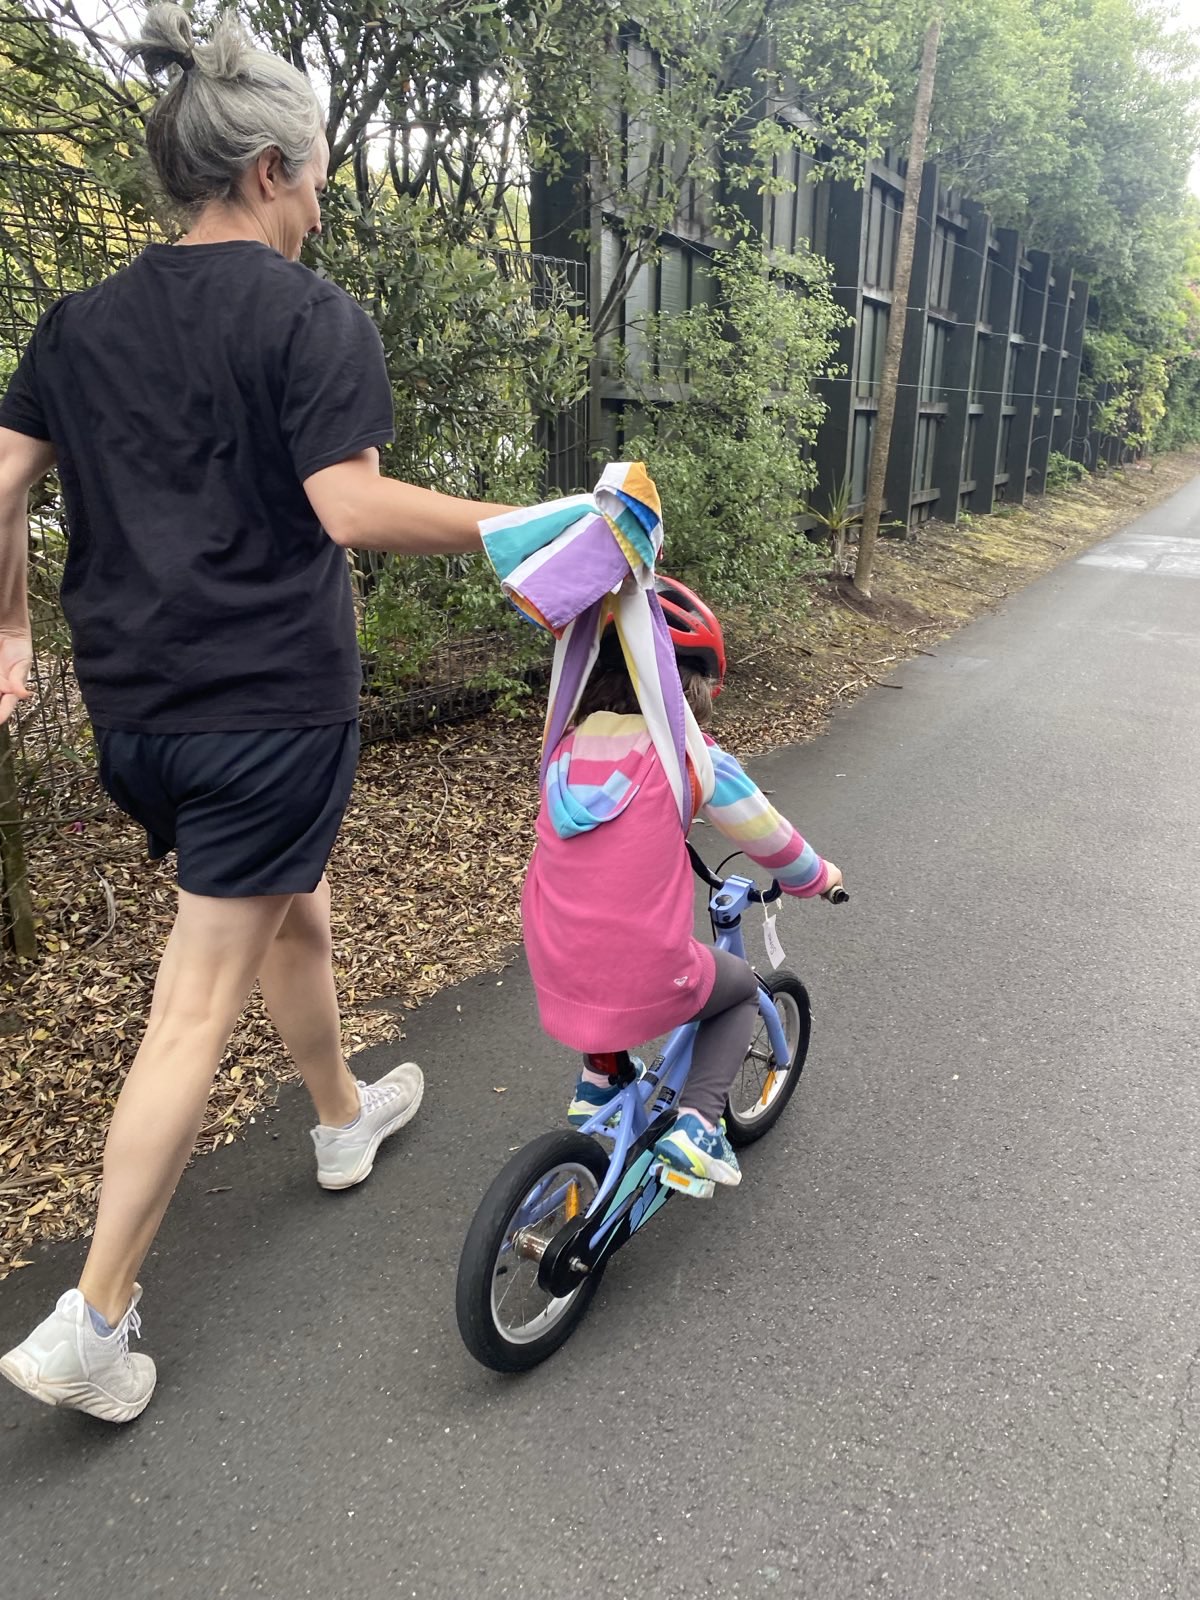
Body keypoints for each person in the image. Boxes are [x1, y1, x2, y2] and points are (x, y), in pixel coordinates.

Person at [0, 4, 515, 1423]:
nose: (326, 198)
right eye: (325, 172)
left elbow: (0, 483)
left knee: (297, 904)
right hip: (268, 714)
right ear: (276, 168)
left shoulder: (78, 322)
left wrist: (10, 625)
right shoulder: (308, 318)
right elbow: (345, 507)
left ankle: (344, 1117)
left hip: (140, 724)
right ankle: (94, 1321)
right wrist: (521, 523)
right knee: (191, 1010)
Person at [522, 577, 844, 1189]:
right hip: (639, 967)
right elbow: (775, 842)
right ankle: (698, 1125)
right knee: (740, 989)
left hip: (551, 959)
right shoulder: (691, 759)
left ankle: (598, 1086)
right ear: (692, 689)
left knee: (597, 949)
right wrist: (819, 877)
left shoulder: (561, 749)